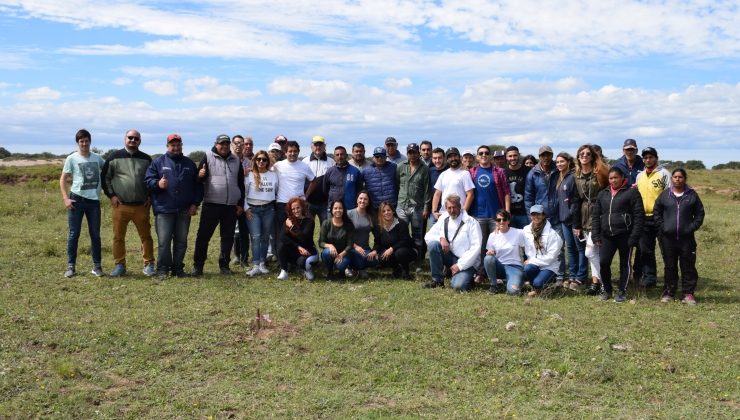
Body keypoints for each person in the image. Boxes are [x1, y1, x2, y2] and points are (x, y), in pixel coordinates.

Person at [144, 133, 202, 278]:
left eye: (178, 145)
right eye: (172, 145)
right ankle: (163, 269)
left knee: (181, 241)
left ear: (181, 145)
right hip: (164, 209)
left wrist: (195, 203)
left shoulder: (189, 163)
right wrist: (158, 183)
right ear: (167, 146)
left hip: (184, 210)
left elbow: (198, 185)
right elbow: (148, 181)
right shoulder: (158, 162)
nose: (176, 147)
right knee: (164, 241)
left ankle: (178, 269)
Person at [101, 129, 155, 277]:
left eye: (136, 138)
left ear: (140, 141)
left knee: (146, 236)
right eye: (130, 138)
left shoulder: (146, 159)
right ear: (124, 139)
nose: (133, 140)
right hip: (121, 206)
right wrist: (111, 195)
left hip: (141, 206)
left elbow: (152, 179)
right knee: (118, 237)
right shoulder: (113, 157)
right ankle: (119, 265)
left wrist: (150, 196)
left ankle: (149, 264)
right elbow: (105, 178)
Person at [192, 134, 246, 276]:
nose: (224, 146)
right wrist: (200, 175)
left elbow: (241, 184)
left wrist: (240, 204)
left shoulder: (236, 160)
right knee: (203, 236)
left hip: (230, 206)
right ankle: (198, 266)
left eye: (227, 144)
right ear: (216, 144)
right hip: (211, 204)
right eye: (222, 144)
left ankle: (224, 266)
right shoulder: (208, 156)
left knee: (227, 237)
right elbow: (197, 179)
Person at [592, 167, 644, 303]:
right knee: (603, 262)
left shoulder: (632, 193)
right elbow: (596, 216)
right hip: (606, 235)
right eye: (611, 178)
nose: (613, 180)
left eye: (616, 177)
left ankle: (622, 291)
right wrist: (596, 235)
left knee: (624, 264)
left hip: (625, 235)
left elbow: (639, 216)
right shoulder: (603, 194)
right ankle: (607, 289)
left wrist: (634, 237)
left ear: (622, 178)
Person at [654, 168, 705, 305]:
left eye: (680, 177)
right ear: (672, 179)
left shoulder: (691, 195)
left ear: (685, 179)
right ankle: (669, 292)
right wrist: (663, 227)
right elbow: (656, 212)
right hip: (668, 238)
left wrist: (691, 227)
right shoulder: (665, 195)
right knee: (670, 266)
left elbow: (700, 214)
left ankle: (688, 294)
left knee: (688, 265)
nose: (677, 179)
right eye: (675, 177)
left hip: (686, 239)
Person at [59, 129, 105, 278]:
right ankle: (71, 266)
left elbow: (108, 170)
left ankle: (97, 267)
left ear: (90, 141)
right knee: (74, 234)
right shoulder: (71, 158)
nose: (84, 143)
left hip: (94, 202)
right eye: (81, 141)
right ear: (78, 143)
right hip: (76, 200)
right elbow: (63, 179)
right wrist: (66, 198)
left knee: (95, 235)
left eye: (86, 141)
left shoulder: (98, 158)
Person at [469, 145, 511, 283]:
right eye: (481, 153)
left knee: (498, 244)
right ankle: (481, 273)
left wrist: (507, 212)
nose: (484, 155)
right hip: (478, 215)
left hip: (495, 216)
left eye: (486, 153)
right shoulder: (472, 172)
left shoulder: (499, 172)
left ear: (490, 156)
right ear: (477, 156)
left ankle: (498, 273)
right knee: (480, 246)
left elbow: (506, 193)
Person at [423, 194, 482, 290]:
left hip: (467, 261)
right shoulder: (444, 218)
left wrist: (460, 265)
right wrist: (441, 238)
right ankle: (437, 281)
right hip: (450, 257)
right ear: (445, 208)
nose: (451, 210)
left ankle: (468, 277)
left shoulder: (471, 222)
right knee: (433, 244)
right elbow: (428, 236)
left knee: (458, 286)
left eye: (454, 207)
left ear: (460, 206)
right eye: (449, 208)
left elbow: (476, 247)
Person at [572, 144, 610, 294]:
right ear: (578, 156)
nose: (584, 156)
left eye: (588, 154)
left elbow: (608, 192)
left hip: (599, 214)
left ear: (593, 157)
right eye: (581, 153)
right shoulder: (576, 175)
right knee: (594, 252)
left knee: (590, 252)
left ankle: (603, 282)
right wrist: (576, 224)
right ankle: (596, 282)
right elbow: (575, 201)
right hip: (584, 216)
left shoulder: (600, 172)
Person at [635, 147, 671, 288]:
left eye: (650, 157)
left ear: (656, 158)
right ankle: (650, 278)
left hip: (661, 217)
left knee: (666, 249)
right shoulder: (640, 176)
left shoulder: (664, 174)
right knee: (646, 250)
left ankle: (670, 278)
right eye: (645, 158)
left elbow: (670, 195)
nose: (648, 160)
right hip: (644, 218)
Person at [524, 145, 561, 280]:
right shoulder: (533, 173)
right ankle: (539, 273)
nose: (546, 158)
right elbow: (528, 197)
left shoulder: (558, 170)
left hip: (556, 215)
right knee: (538, 247)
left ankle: (559, 276)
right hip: (539, 216)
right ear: (539, 157)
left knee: (558, 249)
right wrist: (531, 218)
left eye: (548, 155)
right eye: (543, 155)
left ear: (552, 155)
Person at [272, 140, 317, 252]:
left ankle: (298, 256)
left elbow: (314, 181)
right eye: (290, 151)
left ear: (298, 152)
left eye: (295, 151)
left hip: (299, 205)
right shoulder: (278, 165)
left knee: (297, 232)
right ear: (285, 152)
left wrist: (305, 196)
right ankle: (282, 259)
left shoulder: (304, 166)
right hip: (282, 204)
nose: (292, 154)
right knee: (282, 233)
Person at [244, 150, 278, 277]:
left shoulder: (273, 175)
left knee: (265, 237)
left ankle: (263, 263)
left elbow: (277, 191)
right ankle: (256, 264)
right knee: (256, 237)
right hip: (253, 210)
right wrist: (246, 209)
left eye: (264, 159)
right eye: (258, 159)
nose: (261, 162)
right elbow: (244, 194)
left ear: (267, 161)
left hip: (269, 209)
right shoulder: (250, 175)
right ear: (255, 161)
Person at [555, 152, 586, 288]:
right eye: (557, 162)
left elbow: (575, 201)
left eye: (562, 161)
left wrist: (576, 221)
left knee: (580, 249)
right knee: (570, 249)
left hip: (574, 220)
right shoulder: (560, 177)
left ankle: (581, 277)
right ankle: (572, 276)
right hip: (564, 220)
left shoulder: (573, 177)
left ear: (568, 162)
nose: (559, 164)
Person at [396, 143, 432, 261]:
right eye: (410, 152)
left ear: (419, 153)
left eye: (415, 152)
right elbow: (397, 185)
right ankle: (403, 261)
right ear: (407, 154)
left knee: (417, 236)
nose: (412, 155)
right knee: (402, 235)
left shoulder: (424, 168)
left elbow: (427, 189)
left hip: (417, 207)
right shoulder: (400, 166)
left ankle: (418, 261)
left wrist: (426, 207)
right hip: (402, 206)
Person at [522, 204, 563, 295]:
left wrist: (532, 260)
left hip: (549, 266)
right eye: (533, 214)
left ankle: (547, 283)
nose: (536, 217)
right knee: (528, 269)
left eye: (538, 214)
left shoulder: (553, 235)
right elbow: (515, 239)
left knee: (538, 282)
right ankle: (536, 288)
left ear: (543, 215)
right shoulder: (526, 230)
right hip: (533, 265)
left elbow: (551, 258)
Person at [369, 202, 417, 278]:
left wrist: (392, 249)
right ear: (380, 214)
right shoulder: (378, 227)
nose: (386, 213)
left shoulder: (401, 223)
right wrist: (375, 250)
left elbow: (405, 241)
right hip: (390, 252)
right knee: (382, 258)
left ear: (393, 211)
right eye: (383, 211)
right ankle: (396, 268)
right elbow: (378, 243)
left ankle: (405, 269)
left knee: (399, 253)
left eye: (388, 210)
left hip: (406, 250)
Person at [483, 210, 526, 295]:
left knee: (513, 292)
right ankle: (493, 286)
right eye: (499, 220)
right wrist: (490, 252)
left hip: (514, 266)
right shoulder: (492, 235)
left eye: (504, 219)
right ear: (496, 222)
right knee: (488, 258)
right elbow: (489, 252)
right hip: (500, 266)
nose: (501, 222)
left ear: (508, 221)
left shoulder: (518, 233)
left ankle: (513, 281)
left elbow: (527, 248)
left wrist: (528, 260)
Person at [277, 197, 318, 281]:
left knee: (301, 262)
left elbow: (303, 238)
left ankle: (306, 269)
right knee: (281, 244)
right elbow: (282, 237)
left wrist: (292, 227)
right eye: (293, 209)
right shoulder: (289, 220)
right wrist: (298, 247)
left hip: (307, 250)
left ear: (302, 207)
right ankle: (284, 271)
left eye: (298, 208)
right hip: (296, 249)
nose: (296, 211)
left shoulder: (309, 221)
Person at [432, 147, 475, 220]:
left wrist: (463, 212)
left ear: (459, 157)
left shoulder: (465, 174)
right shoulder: (443, 174)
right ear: (447, 159)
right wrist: (434, 211)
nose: (453, 158)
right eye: (450, 157)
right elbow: (437, 194)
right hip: (444, 214)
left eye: (455, 156)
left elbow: (470, 194)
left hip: (459, 213)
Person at [231, 135, 254, 267]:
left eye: (243, 144)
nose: (240, 146)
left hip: (245, 199)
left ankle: (244, 259)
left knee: (244, 230)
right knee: (233, 231)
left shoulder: (248, 162)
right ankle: (235, 256)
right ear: (232, 145)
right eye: (237, 143)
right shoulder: (229, 160)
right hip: (231, 199)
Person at [319, 200, 355, 279]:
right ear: (331, 210)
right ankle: (330, 271)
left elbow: (350, 245)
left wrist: (341, 255)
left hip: (344, 253)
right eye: (335, 208)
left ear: (343, 210)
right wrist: (330, 246)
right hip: (330, 253)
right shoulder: (326, 223)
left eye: (340, 208)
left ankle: (341, 271)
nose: (338, 210)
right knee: (326, 253)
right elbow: (321, 242)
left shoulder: (349, 225)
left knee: (341, 265)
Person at [303, 135, 335, 225]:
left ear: (324, 146)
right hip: (309, 202)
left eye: (320, 145)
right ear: (311, 146)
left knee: (326, 228)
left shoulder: (331, 162)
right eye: (316, 145)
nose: (318, 147)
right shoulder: (305, 162)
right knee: (308, 227)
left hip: (325, 203)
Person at [324, 145, 363, 211]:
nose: (340, 157)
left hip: (350, 209)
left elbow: (359, 190)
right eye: (337, 155)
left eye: (342, 154)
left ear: (346, 155)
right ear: (334, 157)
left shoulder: (355, 171)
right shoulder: (329, 171)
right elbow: (325, 190)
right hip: (333, 209)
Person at [347, 191, 375, 279]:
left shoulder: (370, 216)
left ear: (368, 202)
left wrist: (375, 250)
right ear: (357, 200)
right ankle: (357, 268)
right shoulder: (349, 214)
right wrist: (355, 246)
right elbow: (344, 235)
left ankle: (356, 267)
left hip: (365, 248)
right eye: (361, 198)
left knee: (375, 260)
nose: (362, 201)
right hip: (351, 247)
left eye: (365, 199)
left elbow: (377, 235)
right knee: (357, 256)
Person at [362, 147, 399, 213]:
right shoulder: (366, 171)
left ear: (386, 157)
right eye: (377, 156)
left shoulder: (394, 167)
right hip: (375, 207)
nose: (380, 158)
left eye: (382, 156)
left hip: (391, 206)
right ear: (373, 157)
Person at [505, 146, 530, 229]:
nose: (512, 158)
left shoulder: (528, 171)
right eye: (510, 156)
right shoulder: (503, 172)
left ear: (519, 155)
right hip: (509, 214)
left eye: (515, 155)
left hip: (524, 213)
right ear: (506, 157)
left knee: (526, 239)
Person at [428, 147, 447, 223]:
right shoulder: (430, 171)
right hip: (434, 210)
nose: (437, 160)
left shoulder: (449, 170)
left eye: (440, 158)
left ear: (444, 158)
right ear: (432, 159)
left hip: (447, 209)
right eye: (435, 158)